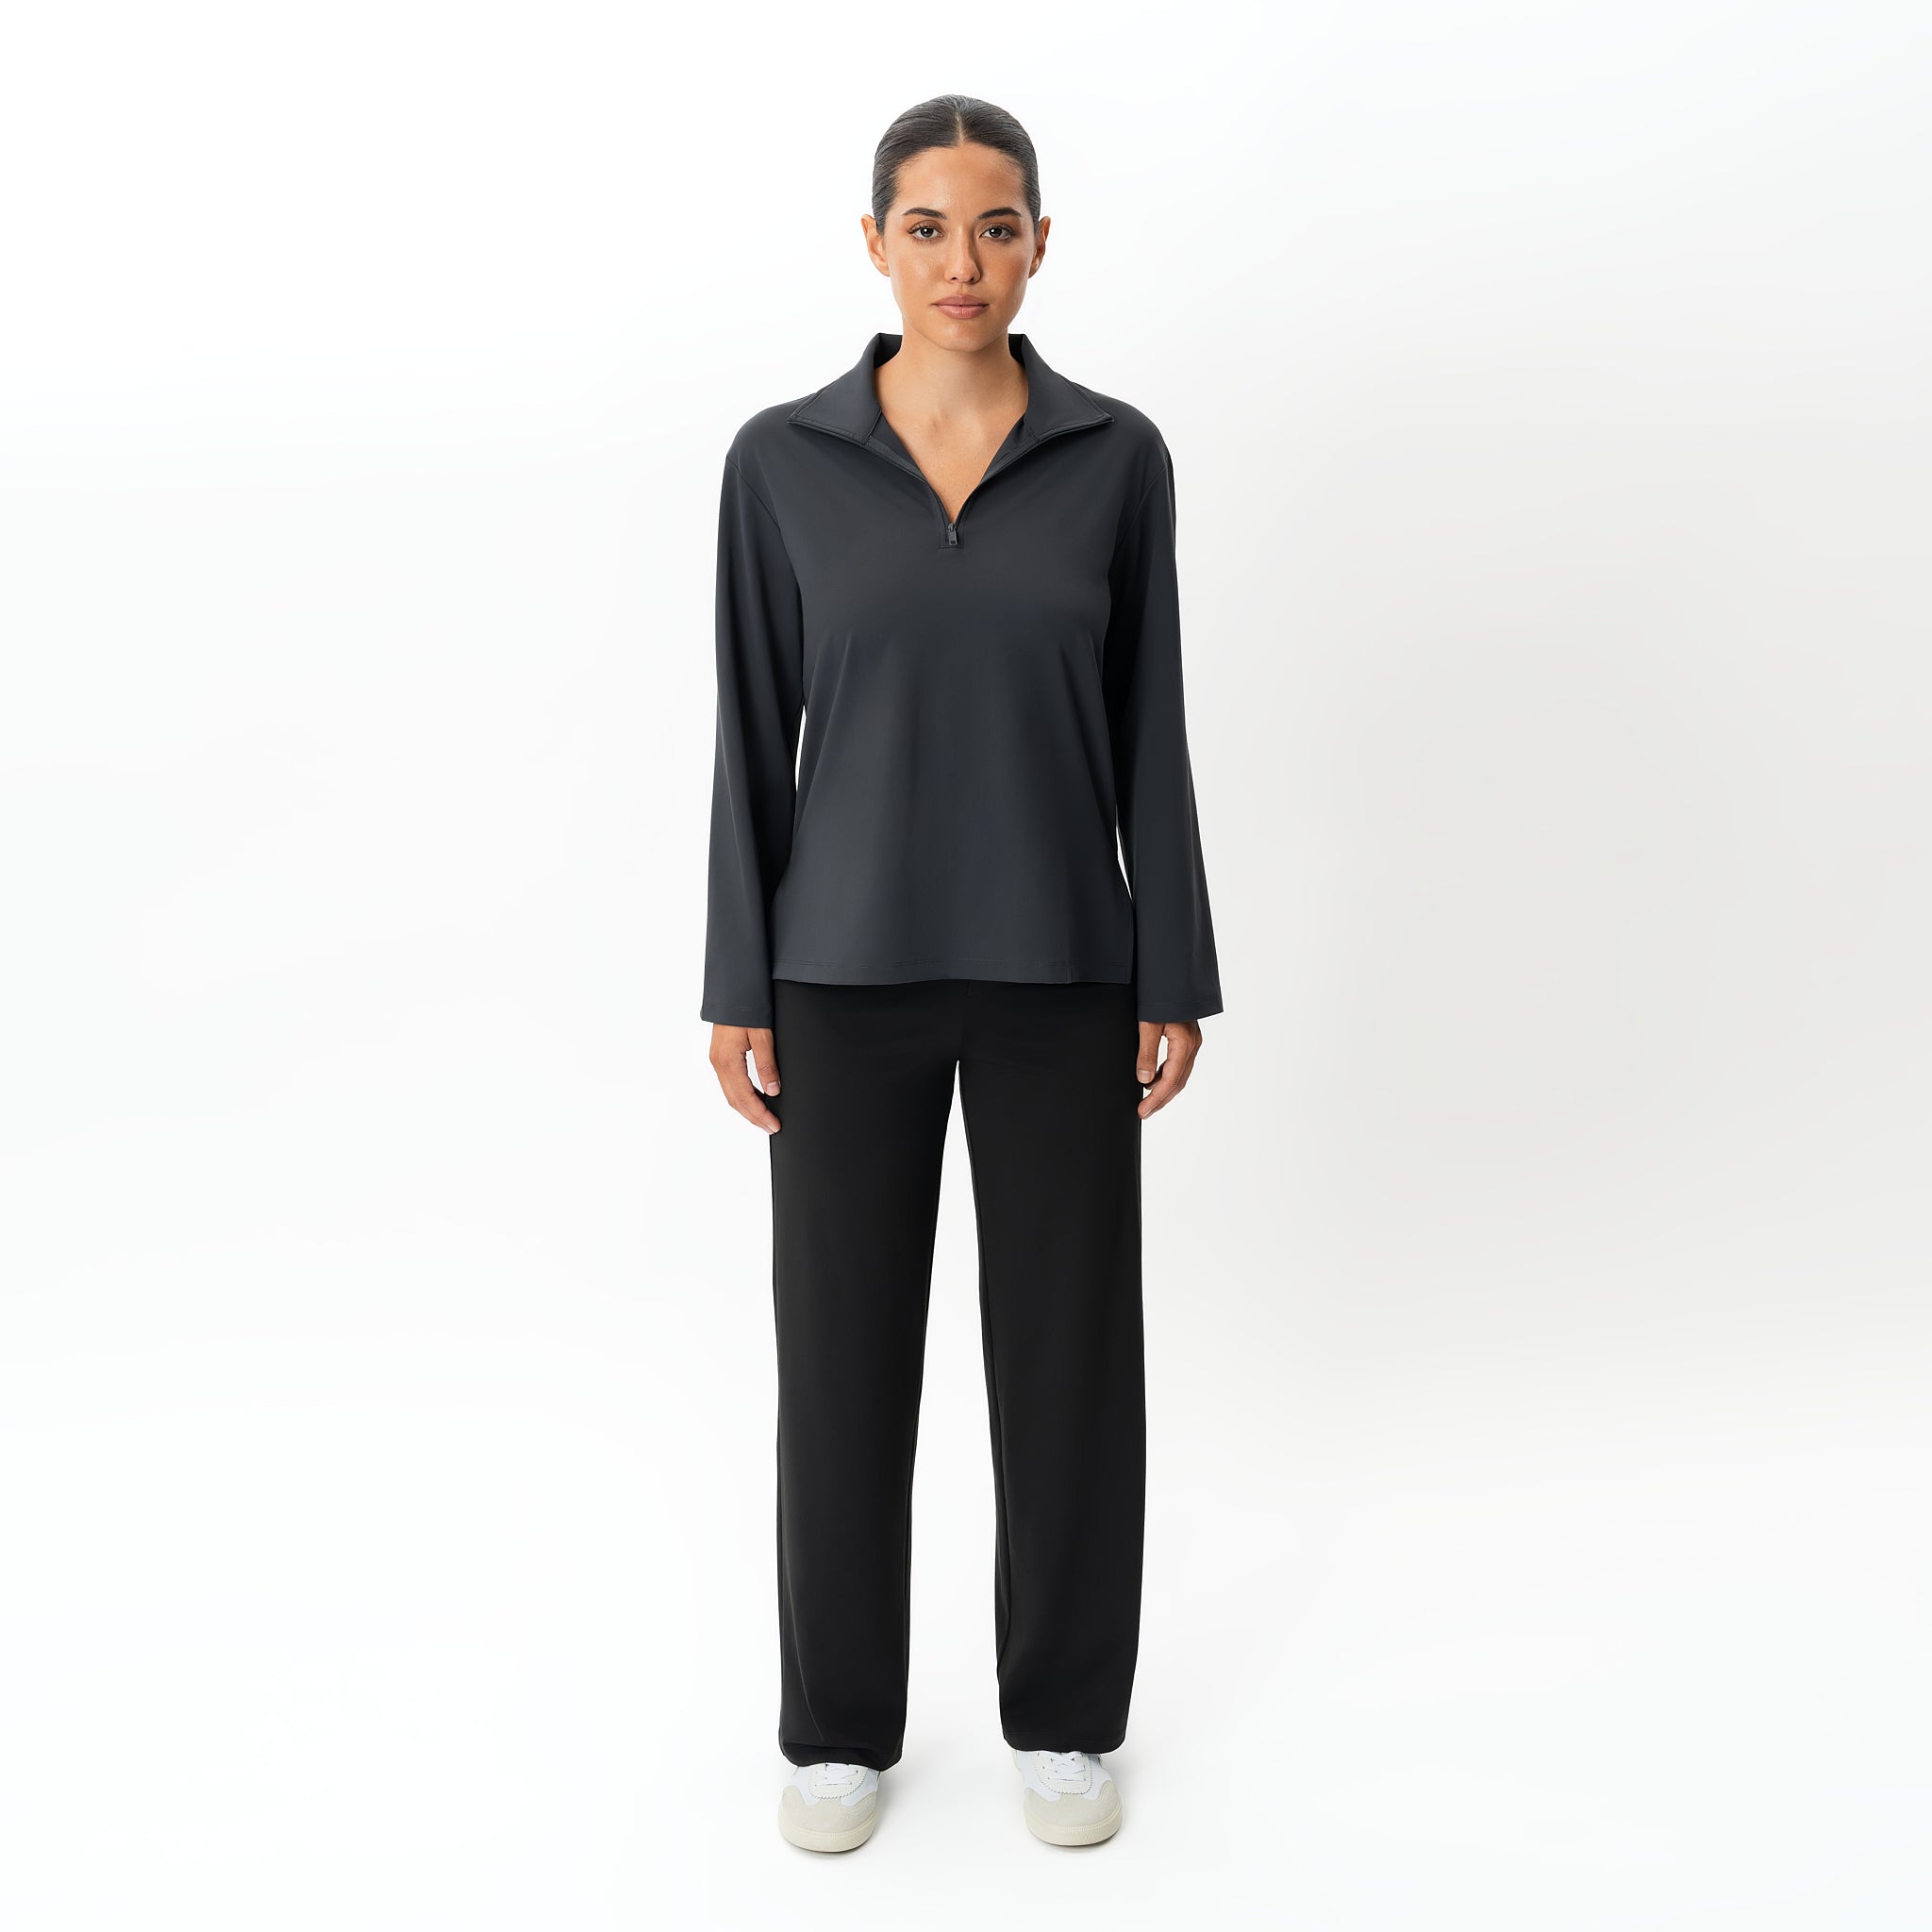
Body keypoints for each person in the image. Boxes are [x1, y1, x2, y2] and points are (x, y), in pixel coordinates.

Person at [700, 93, 1224, 1854]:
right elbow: (746, 741)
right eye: (926, 227)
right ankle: (838, 1731)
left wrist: (1172, 965)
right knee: (843, 1365)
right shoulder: (780, 463)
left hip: (1064, 968)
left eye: (997, 227)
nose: (962, 263)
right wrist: (739, 979)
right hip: (837, 979)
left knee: (1069, 1367)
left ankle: (1066, 1722)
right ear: (873, 244)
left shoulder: (1116, 458)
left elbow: (1151, 724)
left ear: (1042, 243)